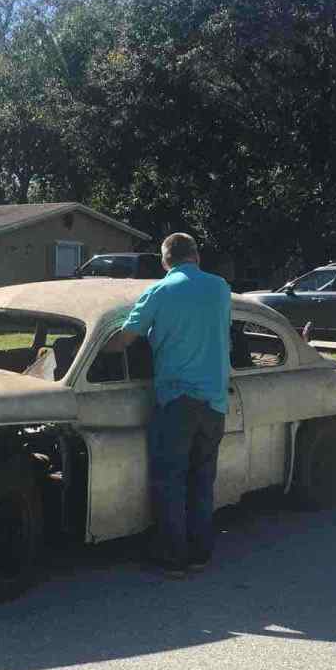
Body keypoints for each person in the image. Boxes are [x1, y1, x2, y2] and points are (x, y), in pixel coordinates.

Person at [105, 232, 231, 578]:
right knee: (203, 479)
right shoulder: (220, 287)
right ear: (196, 256)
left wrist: (101, 345)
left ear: (165, 261)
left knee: (170, 480)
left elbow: (126, 339)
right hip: (215, 401)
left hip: (177, 400)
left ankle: (172, 558)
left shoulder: (159, 291)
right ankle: (200, 553)